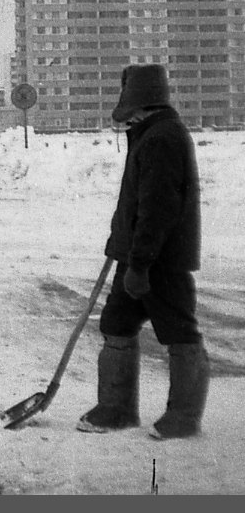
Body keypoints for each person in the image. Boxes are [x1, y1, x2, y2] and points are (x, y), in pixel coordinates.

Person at [77, 64, 208, 440]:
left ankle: (183, 417)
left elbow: (158, 208)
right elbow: (136, 202)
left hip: (159, 262)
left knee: (179, 332)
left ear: (142, 102)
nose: (125, 114)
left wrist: (140, 264)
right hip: (136, 255)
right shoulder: (149, 133)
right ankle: (116, 409)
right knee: (116, 324)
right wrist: (123, 247)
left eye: (128, 104)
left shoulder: (162, 138)